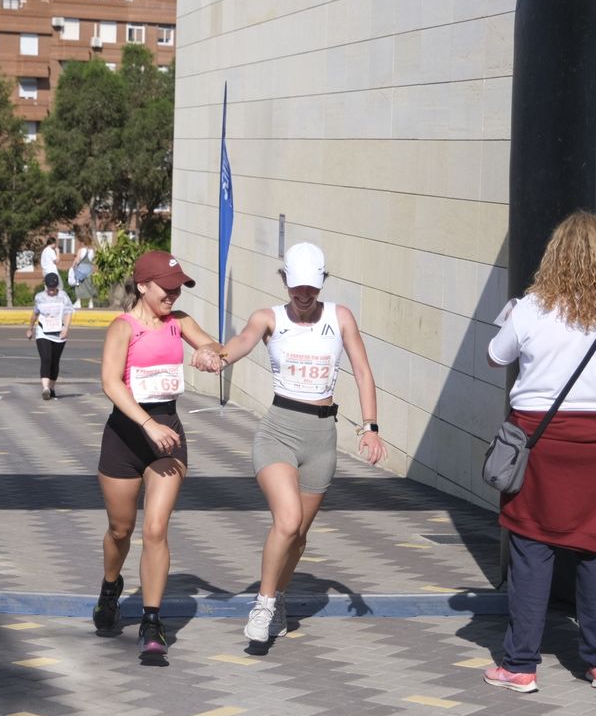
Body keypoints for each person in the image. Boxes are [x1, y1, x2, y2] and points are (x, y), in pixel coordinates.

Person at [482, 210, 596, 693]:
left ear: (554, 257)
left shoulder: (533, 308)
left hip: (541, 441)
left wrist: (514, 318)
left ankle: (519, 666)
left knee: (532, 548)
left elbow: (496, 358)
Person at [213, 242, 386, 643]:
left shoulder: (340, 317)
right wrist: (218, 357)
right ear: (284, 282)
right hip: (279, 432)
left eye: (312, 287)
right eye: (296, 288)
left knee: (299, 533)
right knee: (287, 521)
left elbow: (362, 371)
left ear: (322, 282)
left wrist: (371, 426)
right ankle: (263, 603)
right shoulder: (268, 318)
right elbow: (240, 342)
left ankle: (280, 596)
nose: (304, 296)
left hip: (322, 438)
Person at [91, 250, 224, 658]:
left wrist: (210, 354)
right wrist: (146, 424)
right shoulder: (123, 328)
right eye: (166, 288)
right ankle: (111, 586)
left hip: (169, 437)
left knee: (155, 530)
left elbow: (216, 346)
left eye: (177, 287)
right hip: (126, 437)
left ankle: (152, 621)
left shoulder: (178, 323)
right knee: (121, 530)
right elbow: (111, 383)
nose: (173, 294)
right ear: (143, 286)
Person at [27, 272, 75, 399]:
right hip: (43, 332)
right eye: (49, 288)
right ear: (45, 286)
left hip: (59, 333)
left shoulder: (63, 297)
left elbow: (69, 312)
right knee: (46, 359)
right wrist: (30, 329)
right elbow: (35, 314)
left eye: (54, 288)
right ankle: (45, 388)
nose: (52, 291)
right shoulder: (39, 297)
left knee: (54, 361)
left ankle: (52, 388)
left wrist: (66, 328)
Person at [69, 233, 98, 309]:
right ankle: (90, 303)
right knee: (90, 286)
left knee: (78, 286)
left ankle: (78, 302)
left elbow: (77, 261)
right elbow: (93, 261)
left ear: (83, 242)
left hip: (80, 271)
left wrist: (73, 267)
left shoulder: (81, 250)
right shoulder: (91, 251)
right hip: (89, 270)